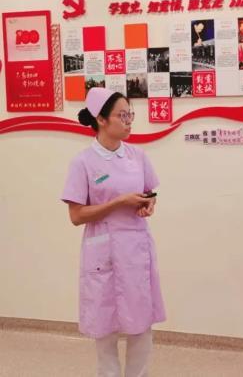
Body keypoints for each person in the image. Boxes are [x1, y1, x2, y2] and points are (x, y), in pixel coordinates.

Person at [61, 87, 166, 377]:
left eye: (130, 114)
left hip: (136, 249)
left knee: (141, 326)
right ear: (101, 119)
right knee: (104, 327)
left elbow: (149, 194)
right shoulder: (83, 162)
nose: (129, 121)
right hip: (102, 252)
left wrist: (148, 204)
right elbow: (76, 215)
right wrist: (118, 202)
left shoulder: (138, 156)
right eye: (122, 115)